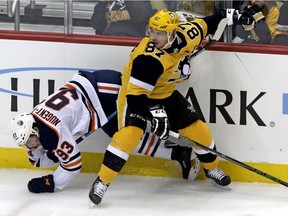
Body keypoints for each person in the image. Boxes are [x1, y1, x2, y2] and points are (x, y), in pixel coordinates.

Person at [89, 8, 259, 205]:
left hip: (166, 93)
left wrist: (238, 17)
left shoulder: (188, 34)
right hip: (135, 95)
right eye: (151, 31)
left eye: (159, 33)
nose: (153, 37)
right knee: (128, 136)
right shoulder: (148, 59)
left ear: (173, 33)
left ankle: (211, 169)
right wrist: (155, 113)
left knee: (199, 131)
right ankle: (102, 182)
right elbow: (137, 99)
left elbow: (216, 19)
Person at [10, 69, 199, 194]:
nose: (29, 145)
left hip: (106, 94)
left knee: (126, 139)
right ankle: (180, 153)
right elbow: (46, 156)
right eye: (26, 143)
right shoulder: (37, 117)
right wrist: (42, 154)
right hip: (96, 89)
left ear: (35, 129)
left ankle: (181, 151)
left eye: (30, 140)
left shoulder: (52, 132)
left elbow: (73, 164)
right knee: (124, 138)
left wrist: (52, 182)